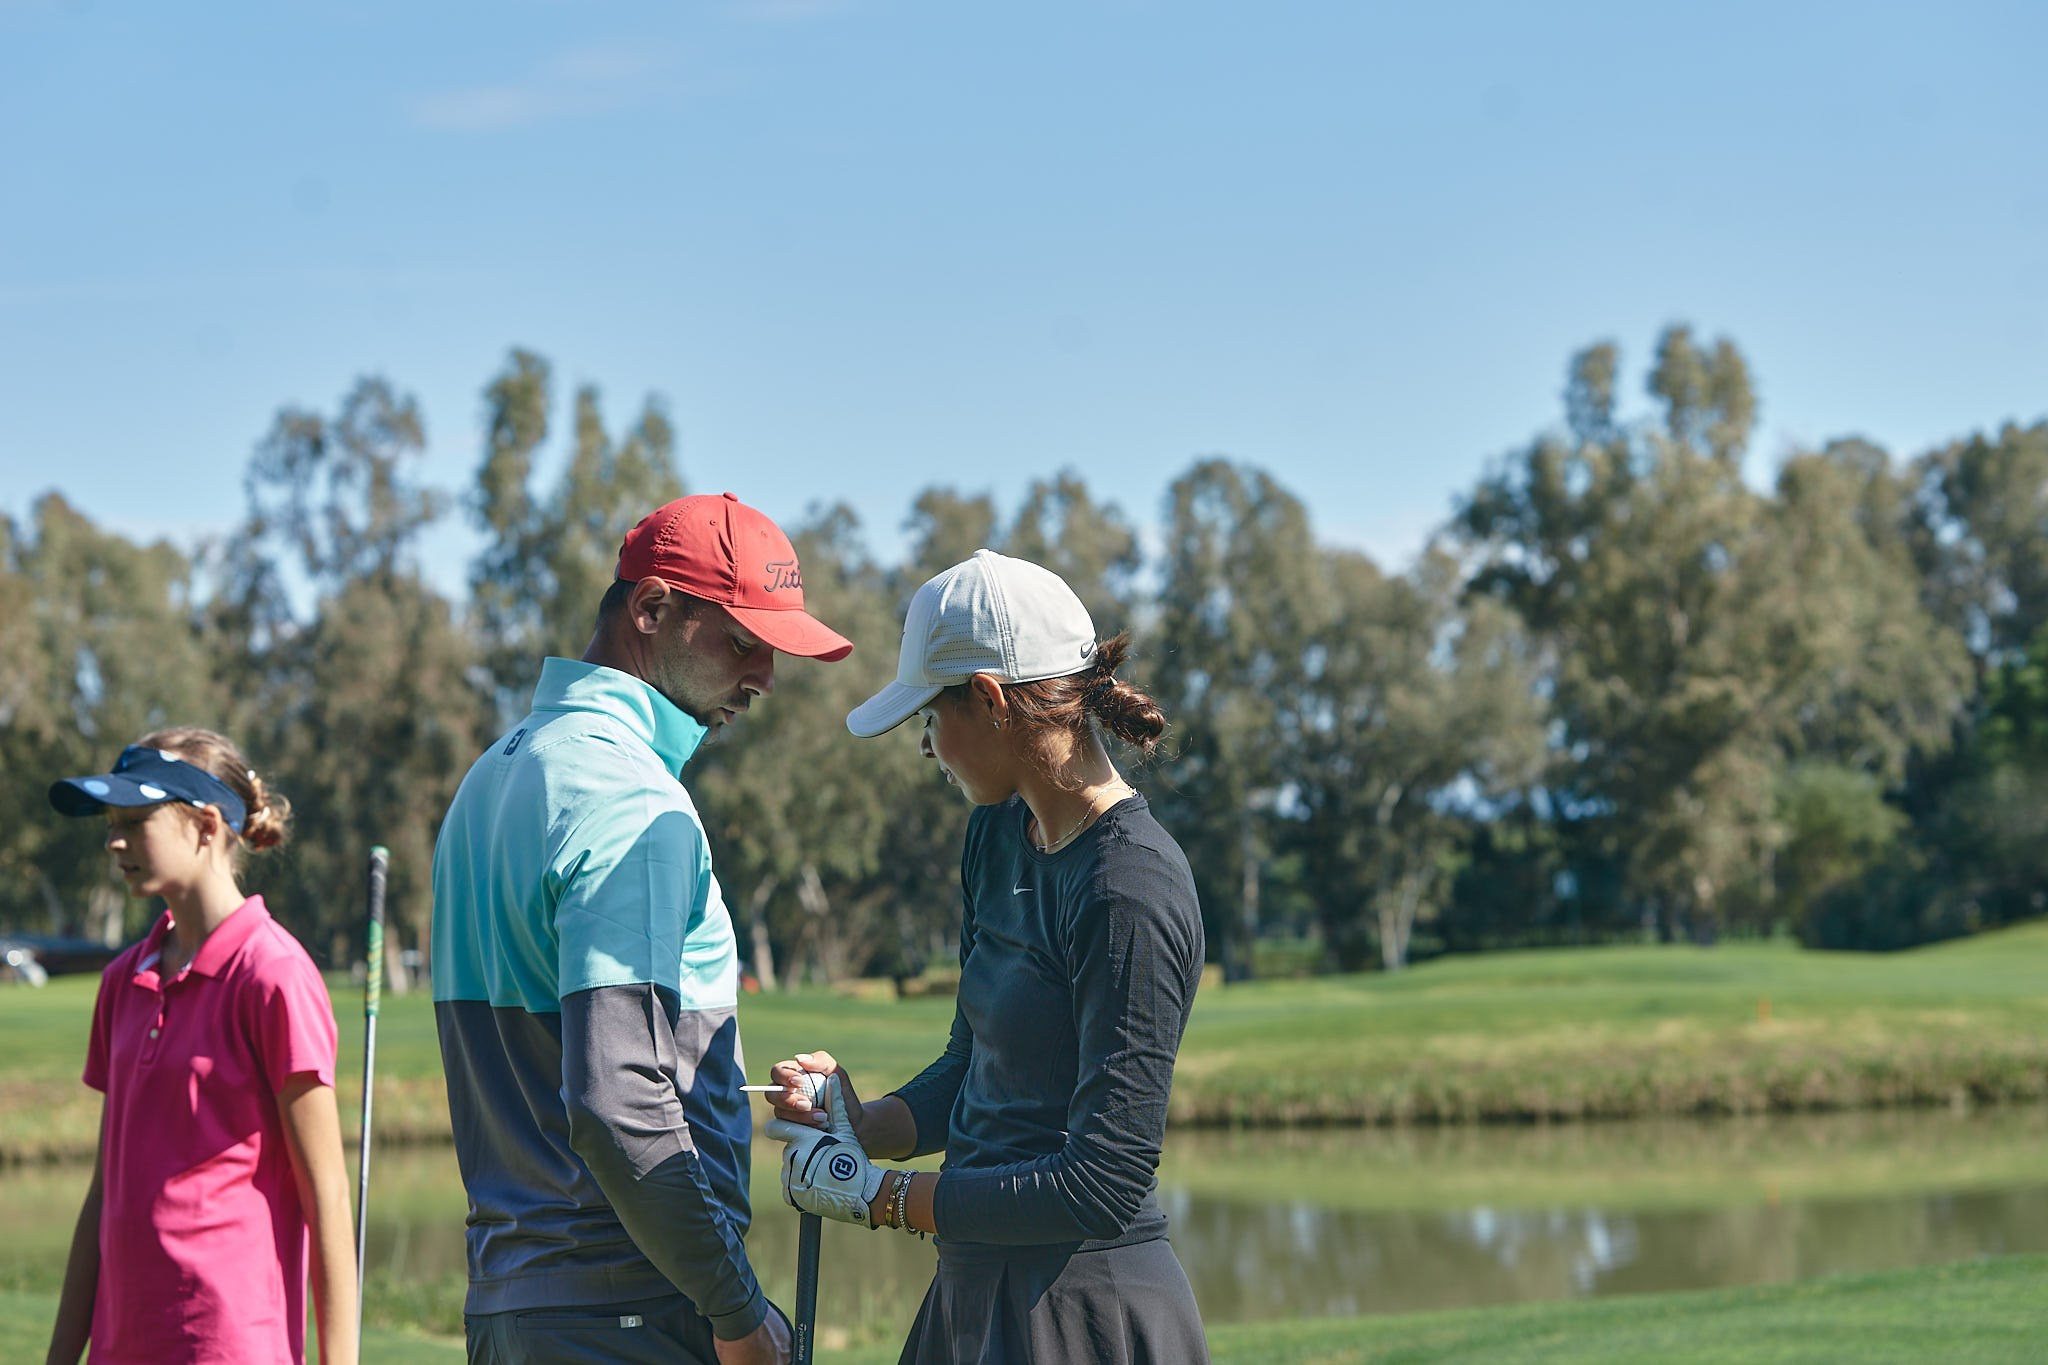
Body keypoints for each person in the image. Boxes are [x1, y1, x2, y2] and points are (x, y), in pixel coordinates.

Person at [432, 492, 853, 1365]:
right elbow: (618, 1102)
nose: (764, 678)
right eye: (744, 642)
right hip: (625, 1314)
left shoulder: (491, 777)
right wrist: (739, 1317)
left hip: (514, 1308)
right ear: (652, 608)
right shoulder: (631, 796)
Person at [764, 548, 1210, 1364]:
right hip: (972, 1296)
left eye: (931, 718)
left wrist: (883, 1198)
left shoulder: (1130, 886)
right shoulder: (997, 836)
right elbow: (974, 1068)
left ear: (991, 699)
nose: (927, 747)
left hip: (1084, 1313)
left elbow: (1102, 1181)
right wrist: (862, 1128)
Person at [44, 728, 358, 1365]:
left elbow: (325, 1196)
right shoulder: (122, 981)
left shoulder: (273, 975)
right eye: (111, 823)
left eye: (135, 820)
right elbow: (105, 1191)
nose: (114, 841)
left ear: (206, 825)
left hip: (229, 1346)